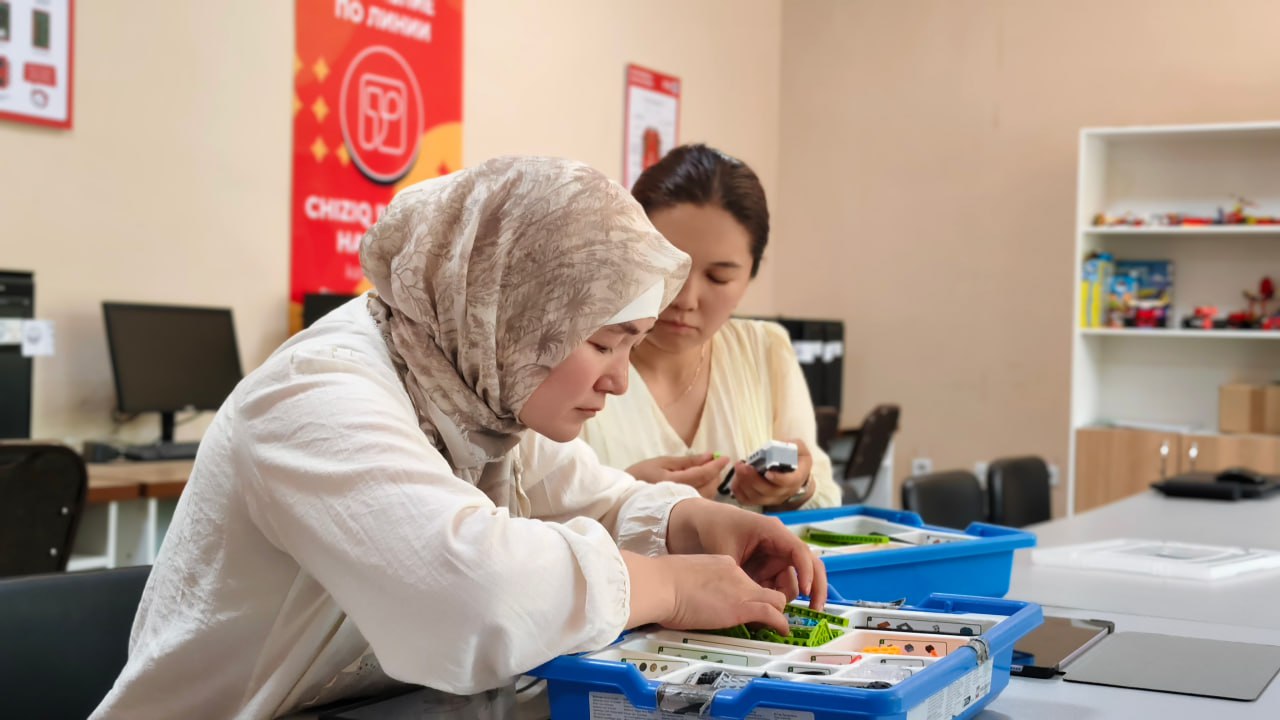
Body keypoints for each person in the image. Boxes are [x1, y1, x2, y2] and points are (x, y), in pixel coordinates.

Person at [90, 157, 826, 719]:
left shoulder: (474, 381)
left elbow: (584, 494)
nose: (619, 381)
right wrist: (667, 584)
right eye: (604, 344)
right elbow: (472, 594)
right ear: (517, 315)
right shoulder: (317, 398)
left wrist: (689, 521)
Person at [580, 144, 841, 512]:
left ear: (750, 275)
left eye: (719, 278)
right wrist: (625, 498)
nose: (686, 298)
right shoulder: (575, 352)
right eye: (669, 269)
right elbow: (522, 521)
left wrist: (795, 490)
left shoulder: (764, 350)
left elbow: (828, 502)